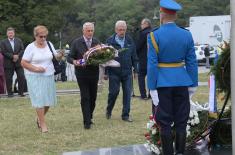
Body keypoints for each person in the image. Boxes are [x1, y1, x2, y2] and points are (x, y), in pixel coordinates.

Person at [147, 0, 198, 154]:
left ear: (162, 15)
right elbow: (191, 62)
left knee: (165, 122)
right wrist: (193, 84)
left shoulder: (154, 35)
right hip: (182, 82)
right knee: (181, 121)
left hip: (162, 84)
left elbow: (152, 65)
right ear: (175, 15)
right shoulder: (186, 34)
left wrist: (152, 88)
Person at [21, 25, 63, 133]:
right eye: (41, 37)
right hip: (34, 76)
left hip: (48, 75)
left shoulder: (49, 44)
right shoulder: (30, 47)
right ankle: (43, 125)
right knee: (39, 100)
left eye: (45, 36)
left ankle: (39, 118)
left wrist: (59, 55)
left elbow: (54, 56)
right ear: (35, 36)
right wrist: (35, 69)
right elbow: (23, 62)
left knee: (48, 102)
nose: (43, 39)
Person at [67, 22, 100, 129]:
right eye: (88, 31)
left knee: (93, 97)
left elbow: (101, 55)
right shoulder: (76, 42)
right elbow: (69, 57)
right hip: (82, 74)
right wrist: (75, 62)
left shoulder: (96, 42)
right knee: (85, 97)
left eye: (92, 31)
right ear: (83, 31)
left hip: (94, 73)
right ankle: (86, 122)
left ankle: (89, 116)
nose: (90, 33)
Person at [104, 20, 138, 122]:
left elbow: (134, 56)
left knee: (127, 94)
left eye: (124, 29)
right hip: (114, 72)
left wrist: (136, 70)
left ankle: (125, 115)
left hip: (127, 72)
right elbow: (106, 58)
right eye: (120, 30)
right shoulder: (110, 41)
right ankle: (109, 109)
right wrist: (106, 73)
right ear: (116, 30)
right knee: (114, 92)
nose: (122, 32)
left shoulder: (130, 40)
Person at [1, 27, 26, 97]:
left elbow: (22, 49)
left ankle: (21, 92)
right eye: (9, 33)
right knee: (9, 78)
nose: (10, 34)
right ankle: (10, 93)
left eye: (12, 33)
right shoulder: (3, 42)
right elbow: (3, 52)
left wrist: (17, 56)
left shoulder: (19, 40)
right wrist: (13, 56)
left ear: (14, 33)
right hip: (8, 63)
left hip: (18, 62)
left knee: (21, 76)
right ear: (7, 34)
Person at [136, 18, 152, 100]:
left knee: (141, 76)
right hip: (152, 59)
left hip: (143, 59)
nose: (141, 26)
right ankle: (151, 94)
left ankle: (143, 95)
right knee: (151, 77)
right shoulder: (153, 32)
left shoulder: (143, 33)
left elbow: (138, 46)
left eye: (142, 24)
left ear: (146, 24)